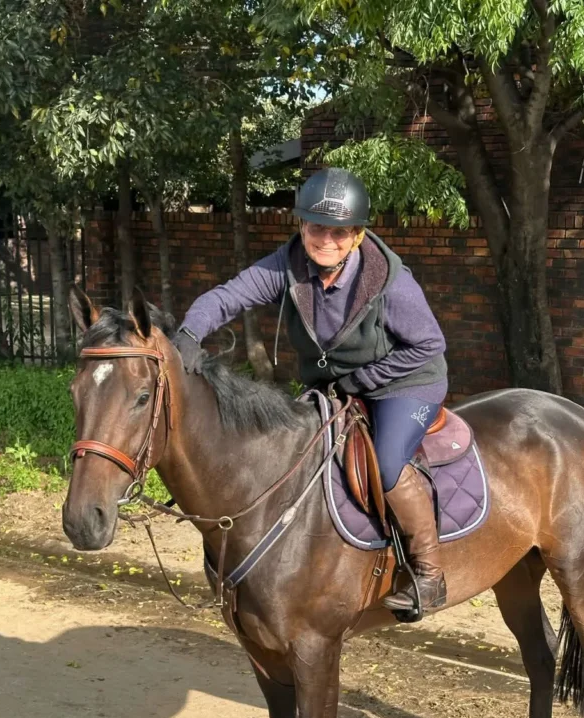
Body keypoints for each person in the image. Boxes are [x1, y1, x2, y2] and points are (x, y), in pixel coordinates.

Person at [174, 167, 448, 615]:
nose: (326, 240)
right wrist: (188, 332)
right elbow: (227, 296)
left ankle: (429, 573)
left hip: (406, 381)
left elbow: (429, 345)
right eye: (316, 227)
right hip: (337, 384)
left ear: (357, 234)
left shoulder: (389, 281)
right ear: (301, 225)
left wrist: (359, 382)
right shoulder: (288, 265)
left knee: (388, 464)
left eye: (339, 231)